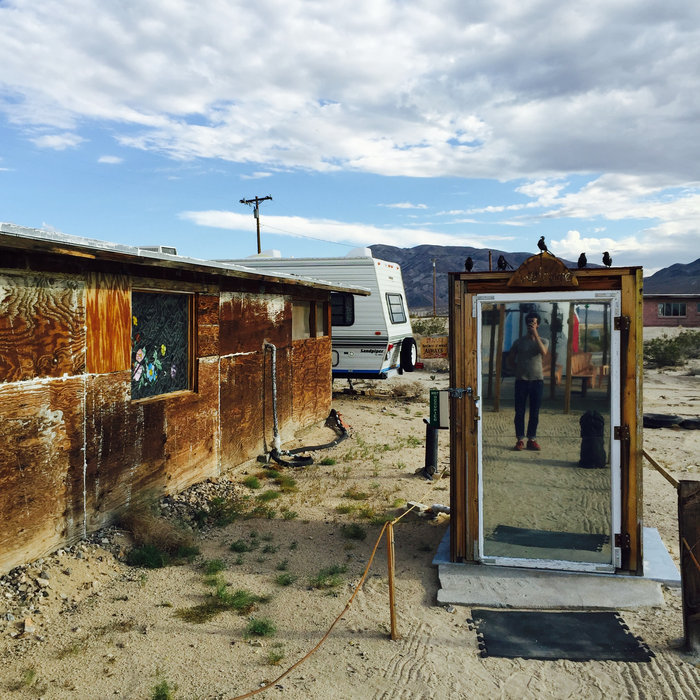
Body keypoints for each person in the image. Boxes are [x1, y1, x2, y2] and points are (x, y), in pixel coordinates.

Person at [507, 312, 548, 451]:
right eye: (529, 322)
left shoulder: (544, 341)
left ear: (538, 324)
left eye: (534, 322)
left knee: (534, 412)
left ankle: (532, 439)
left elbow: (544, 352)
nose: (531, 324)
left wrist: (535, 334)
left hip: (537, 381)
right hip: (522, 381)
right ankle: (520, 439)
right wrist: (517, 369)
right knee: (519, 411)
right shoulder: (519, 342)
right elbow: (510, 358)